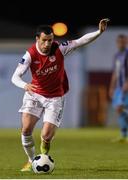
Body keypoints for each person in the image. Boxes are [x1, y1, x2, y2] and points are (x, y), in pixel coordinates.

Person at [11, 18, 109, 172]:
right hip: (34, 94)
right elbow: (15, 77)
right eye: (44, 40)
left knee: (47, 136)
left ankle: (43, 157)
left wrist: (99, 32)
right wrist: (25, 85)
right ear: (37, 39)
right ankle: (31, 161)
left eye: (50, 40)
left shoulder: (60, 49)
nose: (47, 44)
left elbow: (81, 41)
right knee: (25, 130)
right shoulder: (29, 55)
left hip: (55, 97)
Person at [109, 34, 128, 142]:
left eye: (123, 41)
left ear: (126, 42)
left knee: (122, 108)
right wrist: (111, 87)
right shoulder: (116, 56)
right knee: (119, 109)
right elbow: (115, 73)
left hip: (125, 86)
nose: (121, 43)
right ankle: (123, 134)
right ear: (117, 43)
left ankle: (125, 134)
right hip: (118, 87)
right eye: (119, 42)